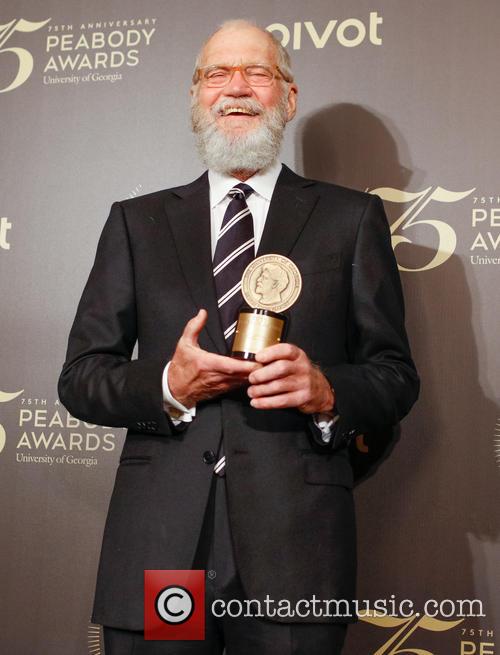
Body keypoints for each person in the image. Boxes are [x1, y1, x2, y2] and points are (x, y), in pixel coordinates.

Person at [58, 19, 419, 655]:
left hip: (296, 547)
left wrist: (326, 390)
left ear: (289, 96)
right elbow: (83, 376)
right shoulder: (137, 222)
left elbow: (394, 374)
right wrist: (170, 384)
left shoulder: (351, 219)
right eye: (217, 74)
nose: (237, 88)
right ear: (195, 95)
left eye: (258, 72)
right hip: (164, 542)